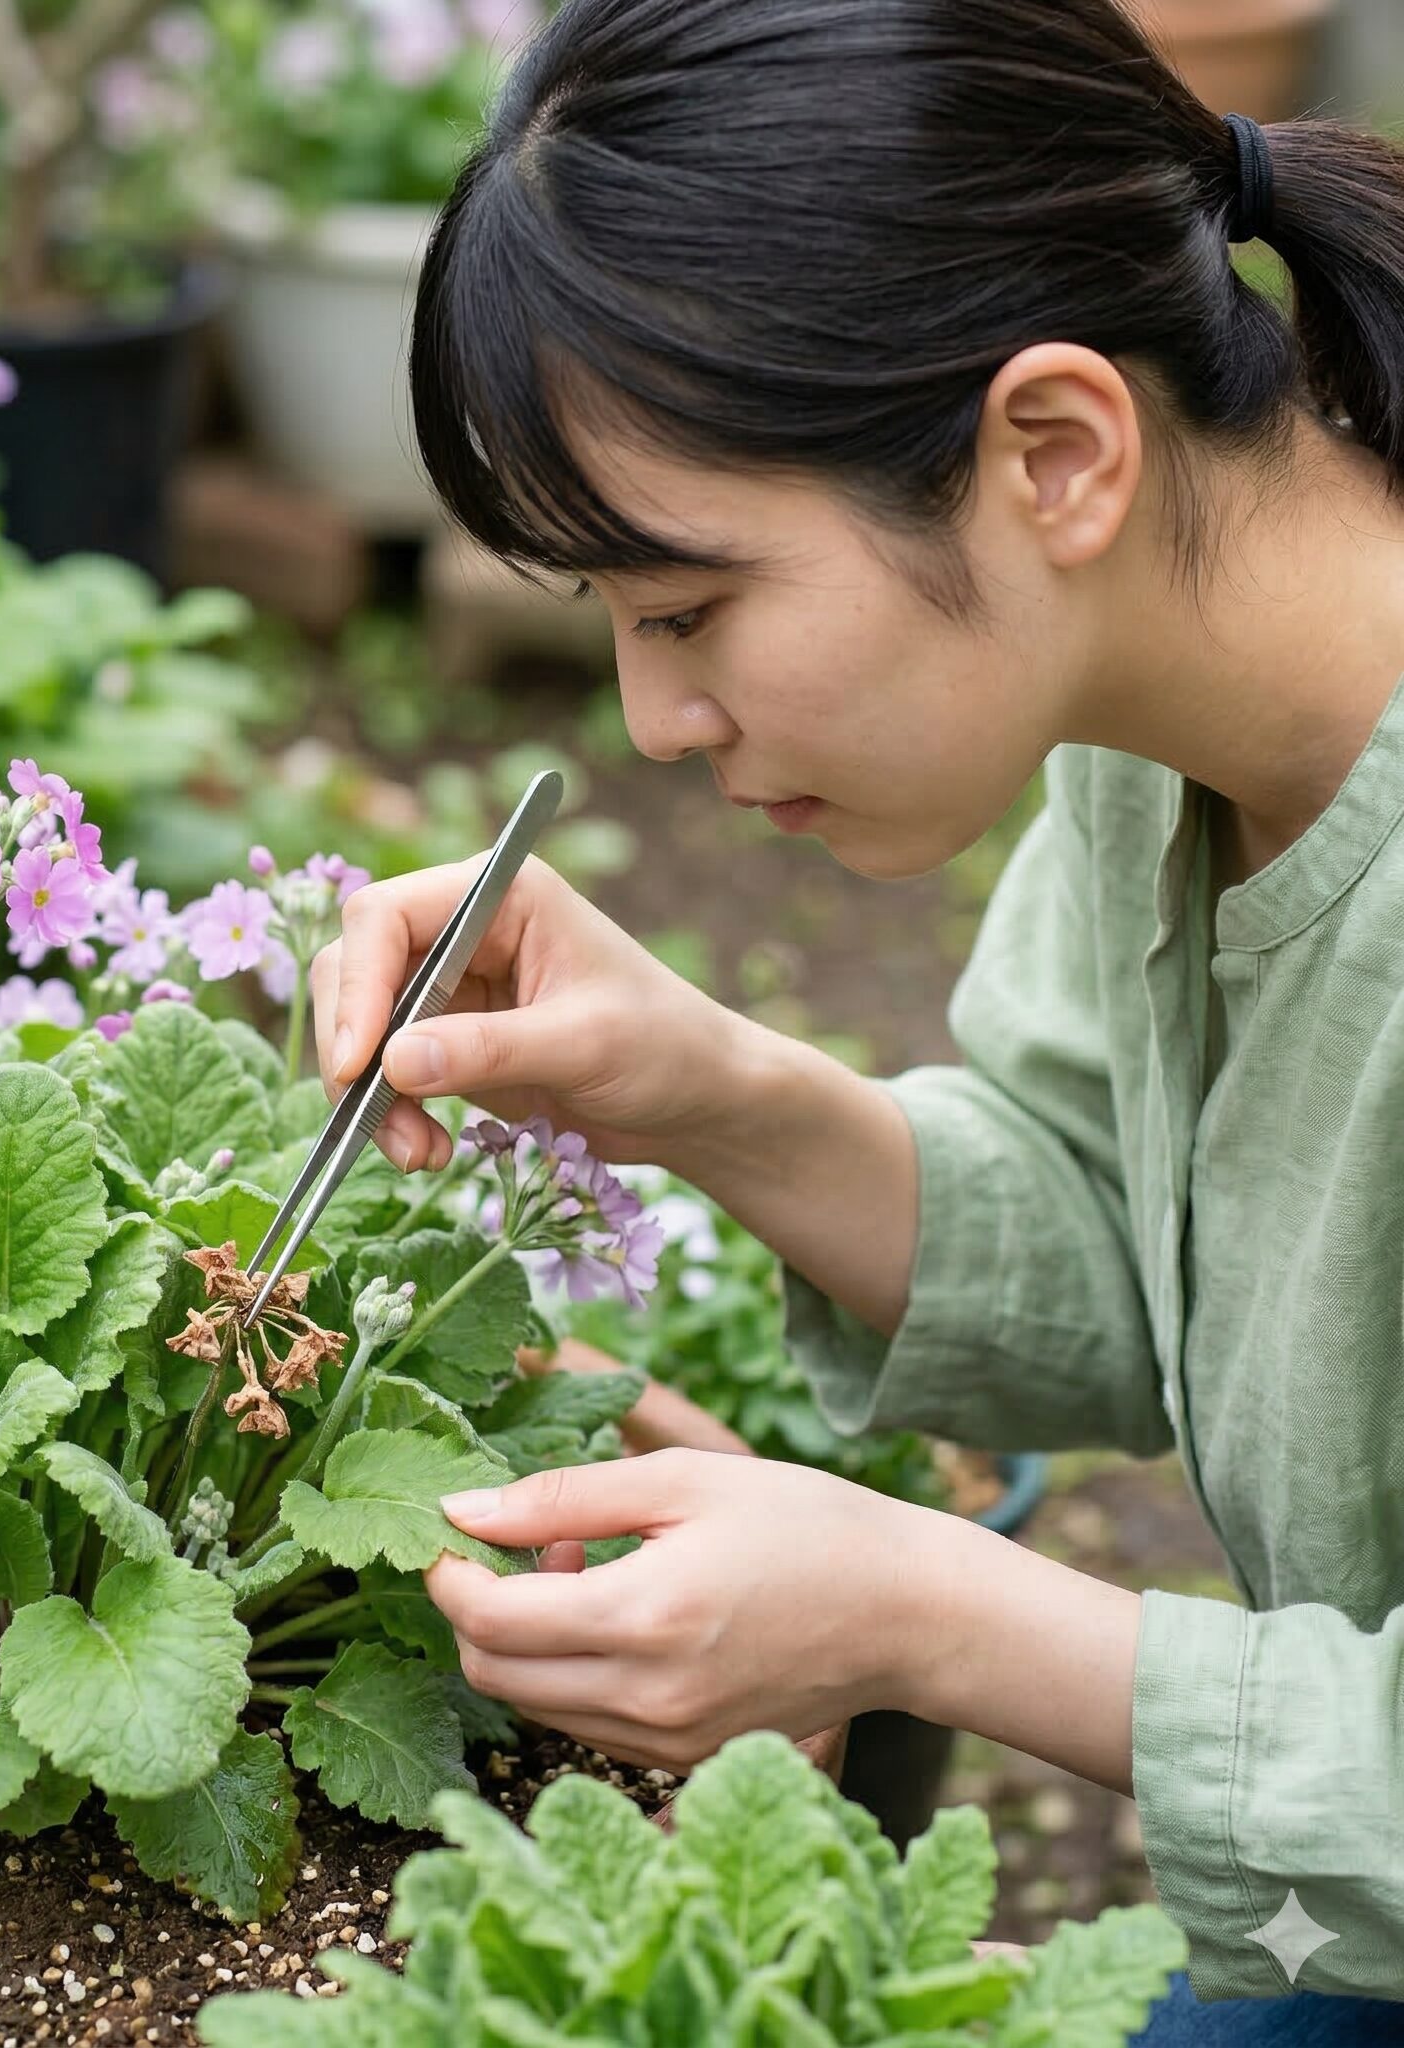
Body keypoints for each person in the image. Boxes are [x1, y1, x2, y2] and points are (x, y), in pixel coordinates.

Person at [309, 1, 1404, 2038]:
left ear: (1053, 453)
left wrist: (919, 1611)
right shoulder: (1143, 691)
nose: (653, 721)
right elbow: (1166, 1255)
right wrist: (712, 1092)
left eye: (689, 606)